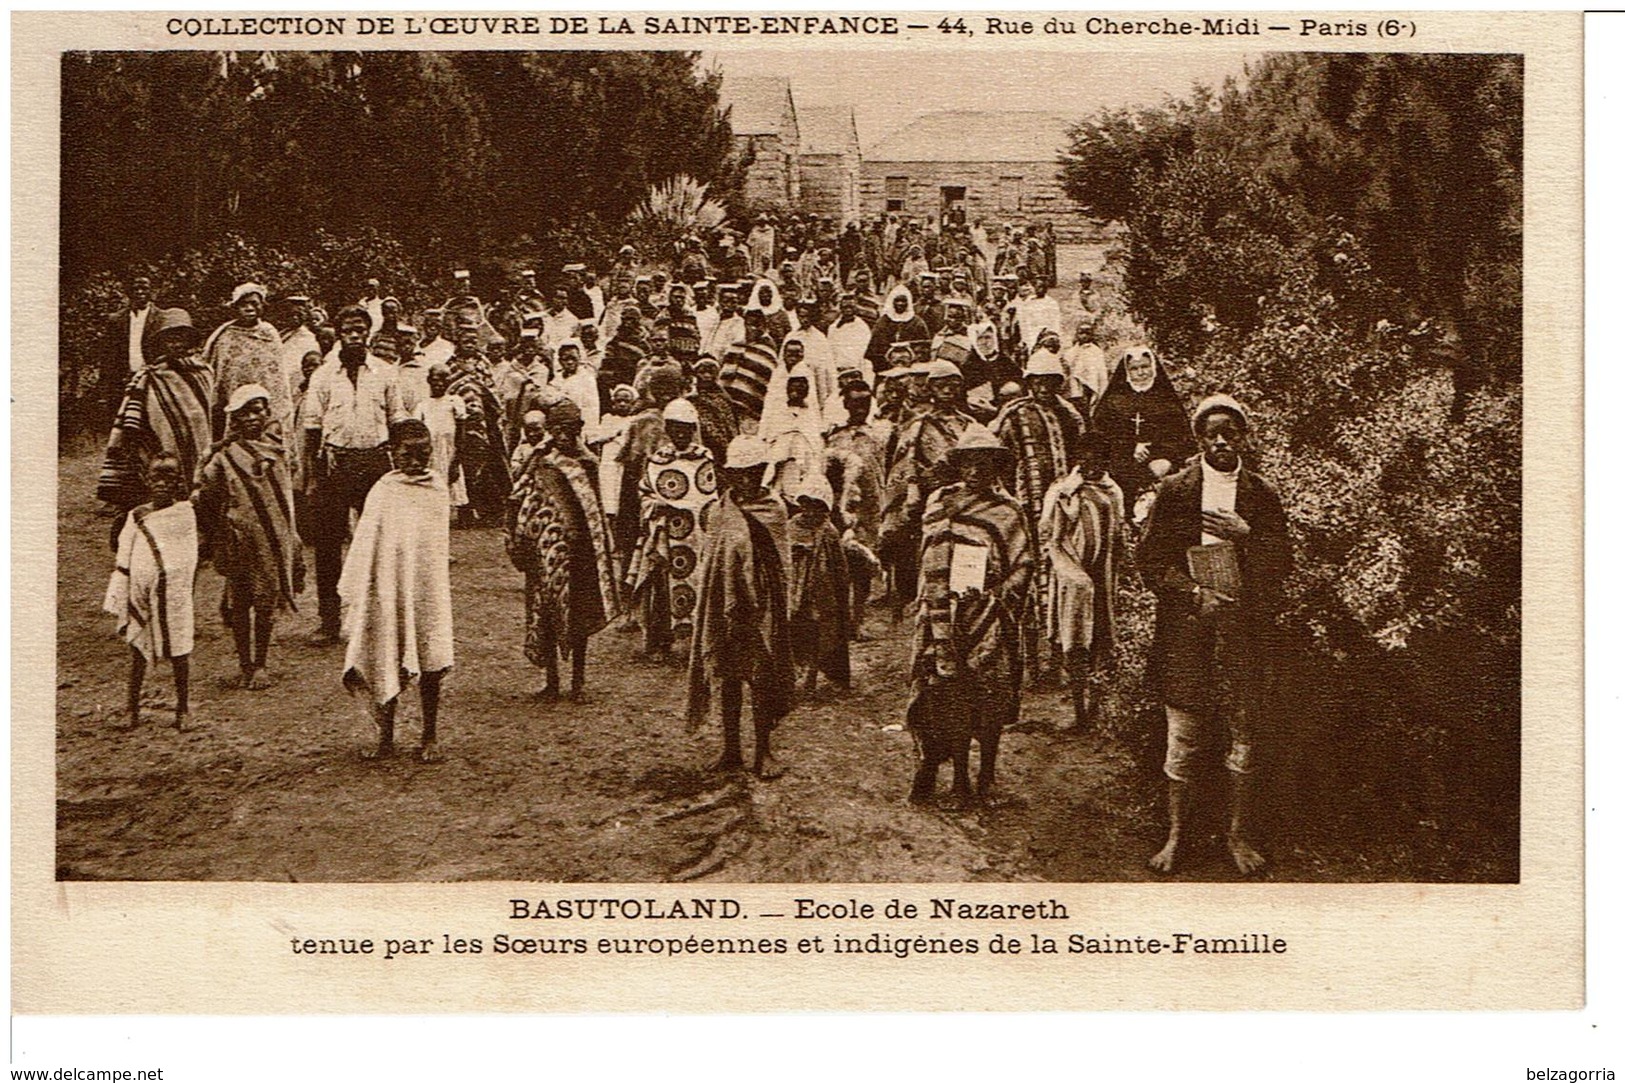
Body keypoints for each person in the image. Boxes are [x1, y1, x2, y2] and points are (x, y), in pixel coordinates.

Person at [1141, 395, 1291, 876]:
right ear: (1198, 439)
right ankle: (1177, 835)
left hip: (1244, 632)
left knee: (1243, 735)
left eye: (1231, 432)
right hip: (1188, 631)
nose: (1222, 441)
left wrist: (1246, 532)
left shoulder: (1262, 494)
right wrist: (1191, 595)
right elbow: (1150, 562)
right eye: (1212, 433)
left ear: (1245, 436)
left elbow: (1282, 563)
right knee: (1184, 735)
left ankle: (1237, 835)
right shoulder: (1176, 491)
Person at [905, 425, 1032, 805]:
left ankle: (987, 778)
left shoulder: (1008, 512)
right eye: (968, 464)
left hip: (988, 618)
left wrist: (996, 594)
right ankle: (959, 781)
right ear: (958, 466)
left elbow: (1024, 563)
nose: (975, 472)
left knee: (988, 700)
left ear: (996, 468)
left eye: (984, 464)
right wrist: (931, 603)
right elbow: (926, 557)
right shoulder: (938, 503)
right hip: (941, 617)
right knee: (949, 699)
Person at [338, 418, 454, 763]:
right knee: (385, 651)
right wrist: (368, 587)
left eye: (424, 453)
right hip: (387, 588)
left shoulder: (437, 489)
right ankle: (385, 737)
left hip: (426, 590)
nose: (417, 462)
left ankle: (429, 735)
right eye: (408, 454)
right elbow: (366, 543)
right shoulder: (383, 490)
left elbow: (432, 548)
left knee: (430, 657)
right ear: (392, 453)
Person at [687, 434, 795, 779]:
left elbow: (780, 566)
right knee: (727, 677)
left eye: (754, 472)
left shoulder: (774, 510)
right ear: (729, 474)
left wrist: (768, 603)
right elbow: (712, 561)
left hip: (760, 608)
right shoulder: (720, 510)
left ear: (763, 471)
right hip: (724, 607)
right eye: (739, 473)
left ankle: (763, 750)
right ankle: (730, 748)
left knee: (761, 678)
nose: (746, 480)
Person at [302, 304, 404, 644]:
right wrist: (313, 477)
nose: (355, 334)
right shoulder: (323, 375)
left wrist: (398, 472)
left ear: (369, 332)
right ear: (340, 333)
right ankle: (329, 621)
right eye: (348, 329)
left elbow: (397, 422)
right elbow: (313, 429)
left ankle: (379, 619)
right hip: (335, 463)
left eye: (361, 328)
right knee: (328, 544)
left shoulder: (387, 373)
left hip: (375, 462)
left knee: (378, 541)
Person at [506, 398, 619, 701]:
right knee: (546, 615)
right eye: (558, 430)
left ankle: (578, 682)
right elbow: (519, 495)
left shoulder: (586, 463)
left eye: (571, 429)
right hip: (545, 551)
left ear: (580, 429)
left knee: (579, 616)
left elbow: (595, 509)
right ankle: (552, 681)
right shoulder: (541, 461)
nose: (564, 436)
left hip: (580, 552)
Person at [194, 384, 305, 690]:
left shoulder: (278, 452)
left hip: (272, 540)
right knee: (241, 601)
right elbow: (205, 495)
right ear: (235, 419)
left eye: (259, 410)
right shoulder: (224, 457)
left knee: (266, 600)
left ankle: (261, 663)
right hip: (239, 540)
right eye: (246, 413)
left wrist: (288, 535)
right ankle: (244, 662)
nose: (254, 417)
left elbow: (285, 500)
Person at [991, 347, 1087, 683]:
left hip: (1063, 509)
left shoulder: (1070, 415)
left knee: (1062, 579)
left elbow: (1082, 457)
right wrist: (1008, 499)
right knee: (1028, 578)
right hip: (1024, 509)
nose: (1044, 389)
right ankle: (1030, 662)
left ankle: (1058, 659)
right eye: (1038, 382)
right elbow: (997, 460)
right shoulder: (1012, 415)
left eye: (1051, 382)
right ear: (1029, 382)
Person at [1039, 430, 1128, 733]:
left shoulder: (1112, 491)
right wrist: (1071, 573)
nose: (1091, 467)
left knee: (1101, 640)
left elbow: (1118, 535)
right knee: (1075, 641)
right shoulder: (1064, 491)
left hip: (1103, 579)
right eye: (1085, 460)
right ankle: (1078, 710)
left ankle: (1094, 708)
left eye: (1098, 460)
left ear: (1107, 460)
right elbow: (1051, 537)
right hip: (1072, 578)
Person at [97, 308, 215, 536]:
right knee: (164, 486)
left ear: (190, 341)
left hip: (199, 449)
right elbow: (131, 417)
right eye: (170, 339)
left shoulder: (204, 374)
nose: (176, 344)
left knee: (198, 488)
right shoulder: (148, 376)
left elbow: (209, 413)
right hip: (162, 447)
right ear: (161, 343)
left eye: (181, 338)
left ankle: (197, 535)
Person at [104, 454, 197, 731]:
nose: (161, 484)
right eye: (156, 477)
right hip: (140, 590)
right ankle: (131, 708)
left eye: (168, 478)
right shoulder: (136, 515)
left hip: (175, 593)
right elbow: (124, 553)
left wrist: (170, 578)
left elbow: (187, 557)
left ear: (178, 482)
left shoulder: (185, 514)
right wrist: (127, 585)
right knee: (137, 648)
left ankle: (183, 709)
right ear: (147, 480)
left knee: (180, 650)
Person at [626, 398, 716, 662]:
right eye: (675, 427)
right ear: (667, 428)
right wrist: (658, 505)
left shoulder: (703, 458)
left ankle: (696, 643)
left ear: (693, 429)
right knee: (661, 589)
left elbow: (709, 497)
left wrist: (692, 511)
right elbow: (644, 492)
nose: (680, 433)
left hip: (696, 536)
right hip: (665, 535)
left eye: (686, 428)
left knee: (698, 584)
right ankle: (660, 642)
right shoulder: (658, 459)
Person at [1093, 344, 1195, 523]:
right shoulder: (1113, 402)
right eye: (1134, 368)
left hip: (1160, 466)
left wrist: (1165, 458)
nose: (1140, 373)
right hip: (1120, 465)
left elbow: (1182, 439)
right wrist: (1131, 446)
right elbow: (1100, 437)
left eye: (1145, 366)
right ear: (1127, 371)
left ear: (1153, 367)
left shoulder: (1167, 401)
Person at [823, 374, 885, 635]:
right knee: (842, 566)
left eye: (865, 402)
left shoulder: (880, 435)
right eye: (855, 403)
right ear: (846, 405)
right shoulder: (835, 438)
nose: (861, 408)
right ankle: (842, 620)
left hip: (872, 510)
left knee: (865, 567)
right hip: (843, 510)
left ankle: (857, 621)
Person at [786, 476, 852, 693]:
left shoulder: (829, 532)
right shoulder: (790, 527)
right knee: (795, 630)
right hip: (794, 590)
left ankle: (813, 675)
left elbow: (839, 567)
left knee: (819, 632)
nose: (811, 512)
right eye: (806, 505)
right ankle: (796, 672)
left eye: (817, 507)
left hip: (821, 592)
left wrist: (840, 592)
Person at [204, 282, 293, 435]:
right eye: (243, 304)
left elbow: (278, 378)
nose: (249, 308)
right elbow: (218, 376)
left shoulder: (269, 334)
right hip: (234, 401)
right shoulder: (225, 336)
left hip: (264, 404)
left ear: (262, 306)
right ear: (235, 308)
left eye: (254, 303)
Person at [100, 275, 160, 428]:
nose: (140, 292)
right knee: (124, 425)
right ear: (128, 292)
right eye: (135, 289)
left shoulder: (162, 318)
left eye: (144, 288)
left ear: (151, 291)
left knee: (152, 423)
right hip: (123, 379)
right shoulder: (116, 319)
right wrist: (106, 387)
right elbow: (108, 355)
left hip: (153, 378)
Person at [414, 363, 467, 515]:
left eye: (443, 380)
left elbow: (460, 433)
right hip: (431, 453)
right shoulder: (423, 405)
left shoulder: (454, 401)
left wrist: (456, 461)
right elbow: (419, 431)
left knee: (451, 483)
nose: (439, 384)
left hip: (449, 451)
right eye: (435, 380)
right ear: (429, 381)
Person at [865, 285, 930, 374]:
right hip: (886, 366)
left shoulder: (917, 322)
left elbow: (924, 347)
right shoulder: (883, 322)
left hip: (911, 366)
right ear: (892, 302)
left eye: (903, 301)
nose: (900, 304)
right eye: (897, 300)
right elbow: (874, 347)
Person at [688, 354, 739, 466]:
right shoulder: (692, 398)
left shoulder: (724, 397)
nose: (707, 376)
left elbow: (732, 422)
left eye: (711, 372)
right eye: (702, 372)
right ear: (696, 373)